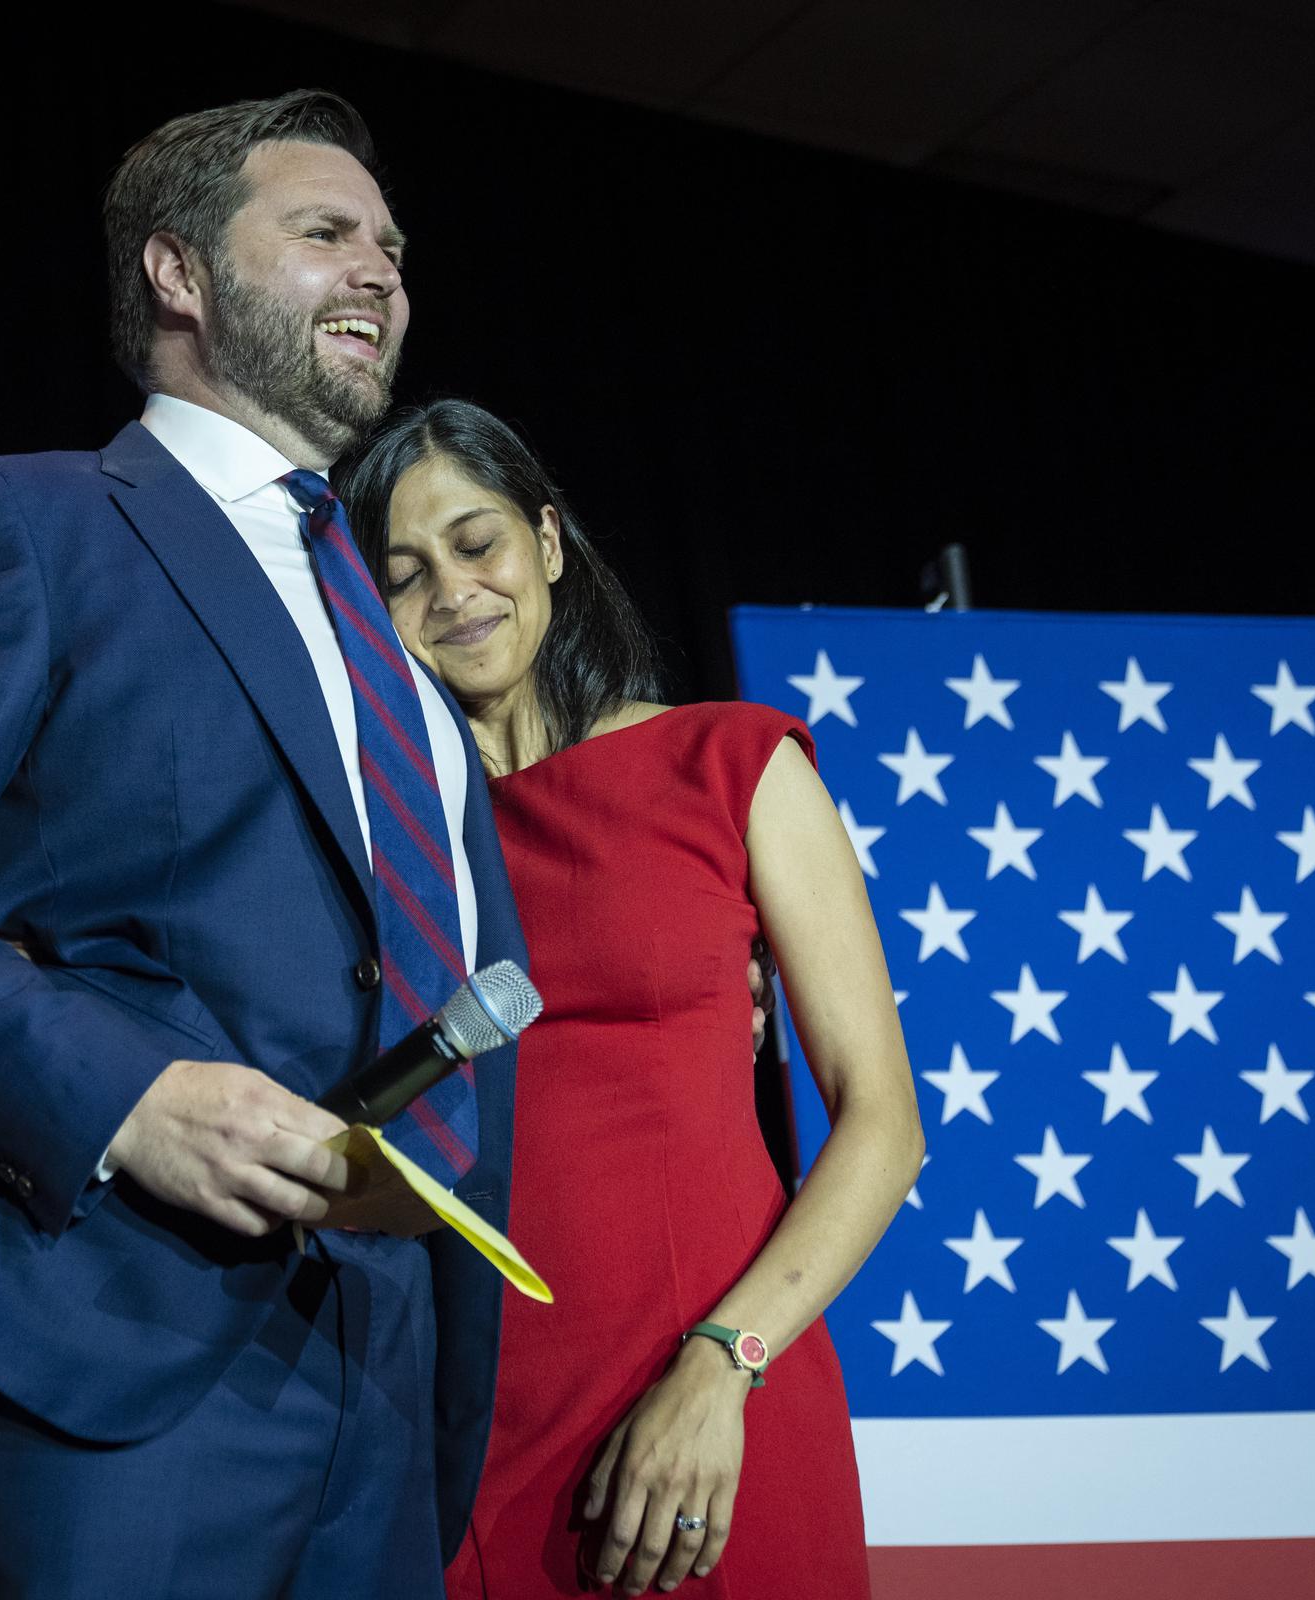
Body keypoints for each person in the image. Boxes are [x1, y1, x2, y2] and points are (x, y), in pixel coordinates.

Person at [0, 93, 528, 1597]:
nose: (380, 272)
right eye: (324, 234)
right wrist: (133, 1095)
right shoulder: (31, 524)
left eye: (393, 247)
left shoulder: (401, 643)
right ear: (180, 274)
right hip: (109, 1338)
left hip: (388, 1369)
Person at [339, 400, 927, 1599]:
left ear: (548, 543)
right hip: (469, 1422)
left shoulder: (732, 763)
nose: (452, 588)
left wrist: (725, 1360)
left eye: (476, 541)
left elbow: (883, 1120)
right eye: (404, 574)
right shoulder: (381, 847)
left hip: (719, 1403)